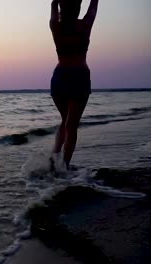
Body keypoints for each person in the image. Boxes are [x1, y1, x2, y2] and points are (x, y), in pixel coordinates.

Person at [50, 0, 99, 169]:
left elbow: (53, 6)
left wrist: (55, 3)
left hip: (60, 77)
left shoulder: (55, 26)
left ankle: (54, 157)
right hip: (79, 77)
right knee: (72, 124)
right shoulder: (85, 25)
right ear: (78, 8)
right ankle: (64, 166)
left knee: (65, 121)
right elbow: (93, 8)